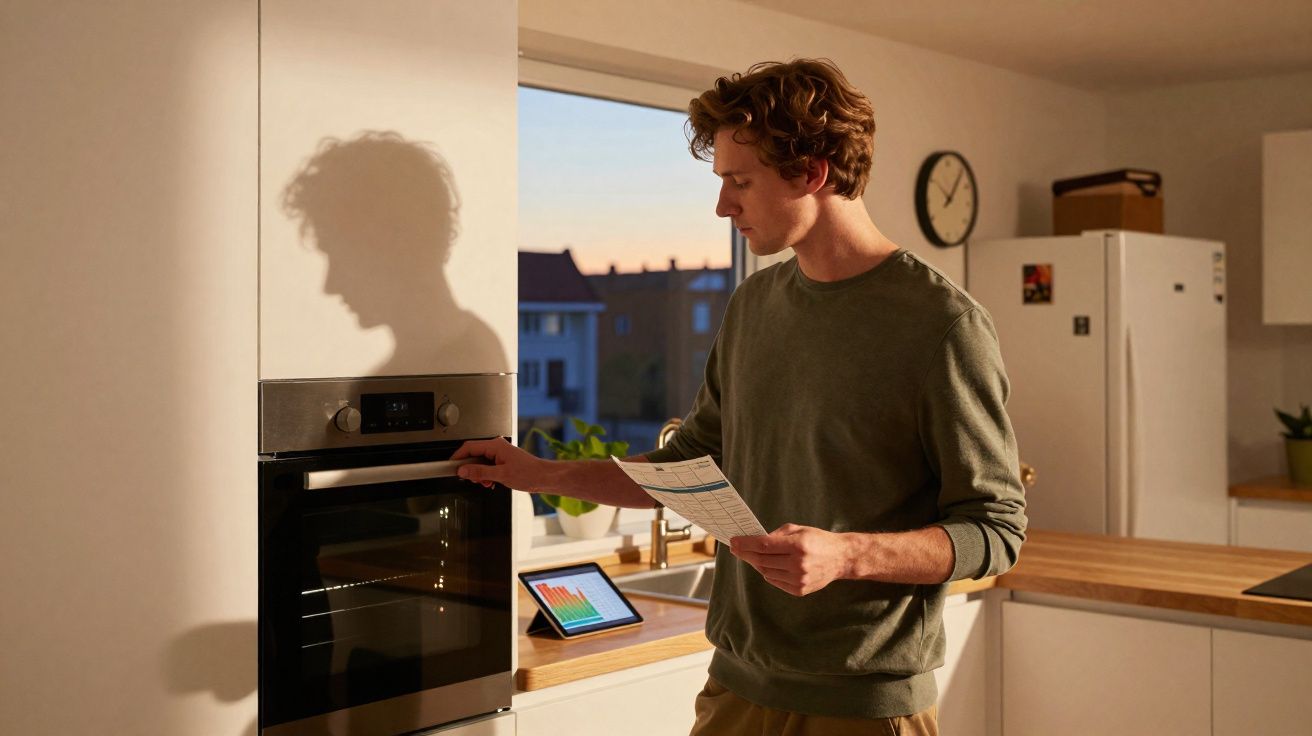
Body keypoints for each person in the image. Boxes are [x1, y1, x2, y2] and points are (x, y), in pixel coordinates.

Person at [454, 58, 1026, 736]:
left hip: (863, 709)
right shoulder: (755, 304)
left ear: (811, 173)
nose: (723, 206)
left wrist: (849, 555)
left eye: (739, 181)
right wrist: (538, 475)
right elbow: (690, 467)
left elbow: (997, 530)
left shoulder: (941, 325)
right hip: (734, 689)